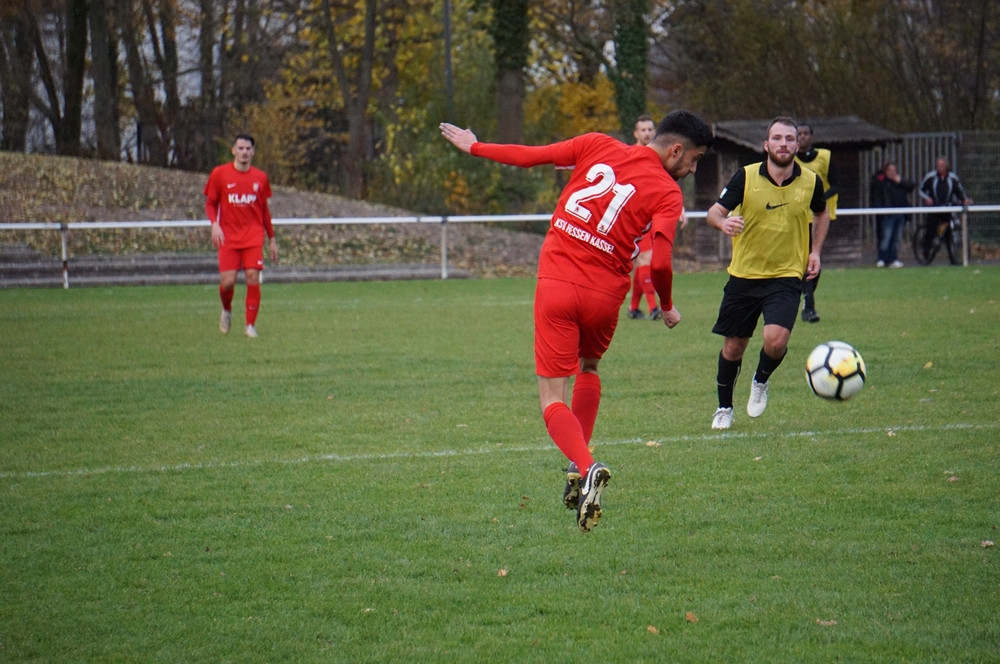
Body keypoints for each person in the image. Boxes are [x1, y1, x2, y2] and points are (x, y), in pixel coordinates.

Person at [439, 110, 713, 532]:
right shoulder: (667, 192)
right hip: (605, 295)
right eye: (693, 160)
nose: (692, 169)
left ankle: (586, 467)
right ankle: (575, 465)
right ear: (675, 150)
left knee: (552, 398)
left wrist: (475, 146)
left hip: (558, 285)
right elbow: (659, 262)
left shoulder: (596, 144)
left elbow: (530, 156)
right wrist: (668, 304)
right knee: (589, 367)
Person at [706, 117, 829, 430]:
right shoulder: (745, 178)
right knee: (733, 347)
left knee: (776, 341)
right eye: (777, 138)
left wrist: (815, 251)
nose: (784, 144)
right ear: (766, 145)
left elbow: (821, 212)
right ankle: (724, 408)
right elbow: (714, 212)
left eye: (789, 138)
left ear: (797, 144)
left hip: (786, 275)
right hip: (744, 276)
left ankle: (760, 380)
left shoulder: (811, 181)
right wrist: (723, 223)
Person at [204, 133, 278, 338]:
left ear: (253, 152)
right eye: (241, 148)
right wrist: (215, 224)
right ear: (233, 151)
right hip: (228, 236)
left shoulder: (260, 177)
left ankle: (250, 326)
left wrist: (271, 238)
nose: (244, 152)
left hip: (253, 235)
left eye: (248, 149)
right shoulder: (220, 174)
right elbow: (210, 203)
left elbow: (264, 210)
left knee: (253, 276)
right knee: (228, 282)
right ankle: (226, 309)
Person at [627, 114, 688, 320]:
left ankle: (634, 308)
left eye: (650, 129)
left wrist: (680, 208)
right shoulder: (632, 153)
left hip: (655, 216)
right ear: (635, 133)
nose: (647, 133)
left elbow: (667, 188)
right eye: (642, 130)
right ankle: (654, 308)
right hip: (636, 216)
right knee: (645, 259)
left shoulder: (661, 157)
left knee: (642, 261)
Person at [794, 123, 840, 323]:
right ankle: (808, 306)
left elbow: (837, 184)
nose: (802, 137)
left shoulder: (825, 157)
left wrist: (818, 198)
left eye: (806, 134)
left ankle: (807, 299)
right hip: (798, 217)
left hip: (819, 217)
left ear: (811, 137)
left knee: (815, 259)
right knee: (804, 260)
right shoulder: (789, 159)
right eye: (799, 134)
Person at [918, 156, 971, 261]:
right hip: (934, 209)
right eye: (937, 165)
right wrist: (927, 198)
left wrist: (964, 199)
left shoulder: (953, 178)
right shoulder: (930, 177)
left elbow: (959, 191)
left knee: (948, 232)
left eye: (941, 165)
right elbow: (921, 190)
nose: (939, 167)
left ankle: (953, 258)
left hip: (947, 209)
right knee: (930, 231)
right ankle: (926, 254)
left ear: (946, 166)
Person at [870, 162, 915, 268]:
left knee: (896, 238)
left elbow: (911, 187)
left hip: (900, 214)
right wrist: (881, 209)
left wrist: (900, 182)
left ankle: (893, 259)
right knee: (886, 237)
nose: (893, 172)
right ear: (886, 171)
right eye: (890, 170)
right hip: (888, 215)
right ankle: (882, 258)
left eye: (894, 170)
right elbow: (876, 197)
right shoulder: (881, 182)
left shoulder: (899, 182)